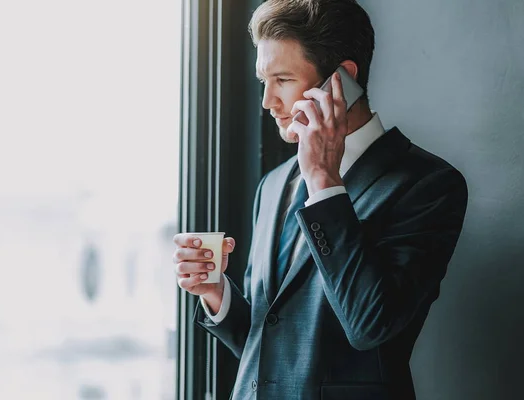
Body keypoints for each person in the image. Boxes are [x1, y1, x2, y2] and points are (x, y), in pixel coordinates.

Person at [172, 0, 468, 398]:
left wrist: (325, 182)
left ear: (341, 81)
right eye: (264, 81)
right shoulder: (273, 185)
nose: (267, 102)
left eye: (282, 79)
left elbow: (369, 327)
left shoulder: (427, 185)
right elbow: (274, 349)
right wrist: (216, 291)